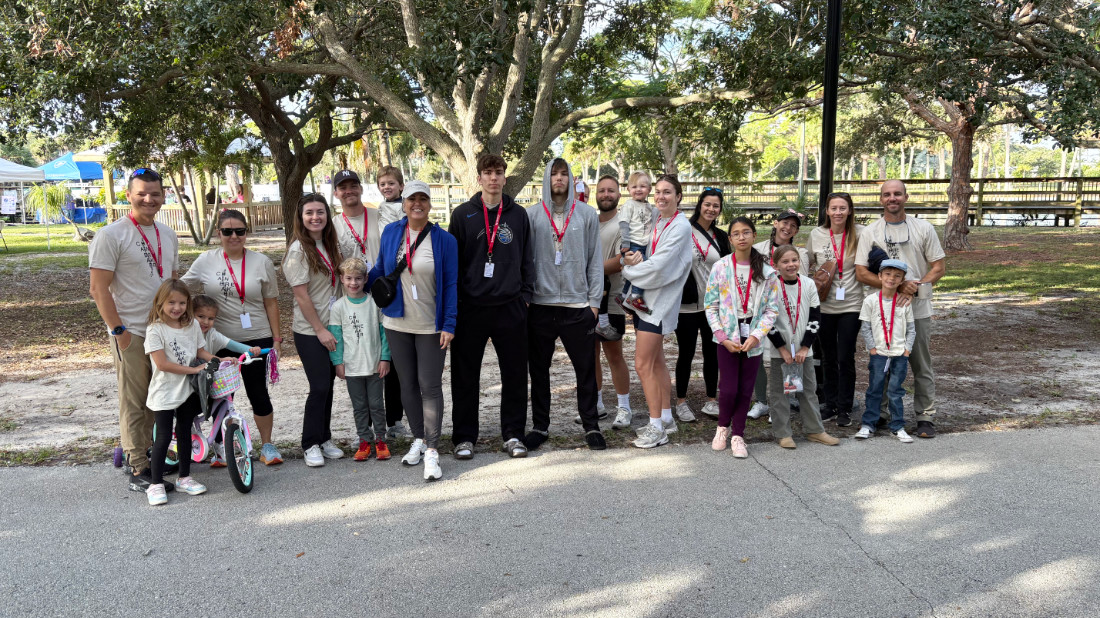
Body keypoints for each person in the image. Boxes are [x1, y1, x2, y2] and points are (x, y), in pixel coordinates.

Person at [89, 167, 181, 493]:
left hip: (162, 331)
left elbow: (172, 282)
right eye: (141, 193)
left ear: (163, 196)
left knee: (157, 398)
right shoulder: (111, 235)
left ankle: (148, 453)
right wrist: (119, 332)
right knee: (134, 400)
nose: (148, 199)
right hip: (131, 331)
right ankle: (138, 467)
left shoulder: (167, 234)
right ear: (128, 195)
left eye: (155, 194)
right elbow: (98, 289)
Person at [367, 180, 457, 481]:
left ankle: (432, 449)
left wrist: (449, 323)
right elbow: (381, 268)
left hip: (431, 324)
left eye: (423, 199)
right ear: (403, 204)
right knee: (406, 384)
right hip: (396, 322)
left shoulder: (445, 240)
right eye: (411, 199)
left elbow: (451, 284)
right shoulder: (392, 232)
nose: (417, 204)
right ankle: (418, 438)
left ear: (429, 204)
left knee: (429, 385)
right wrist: (360, 281)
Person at [448, 154, 535, 460]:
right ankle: (464, 437)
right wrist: (456, 302)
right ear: (479, 178)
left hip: (509, 305)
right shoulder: (463, 214)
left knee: (514, 374)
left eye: (498, 172)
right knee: (465, 375)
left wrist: (525, 296)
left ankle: (513, 434)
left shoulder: (518, 215)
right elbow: (454, 263)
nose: (493, 178)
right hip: (471, 307)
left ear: (505, 178)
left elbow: (527, 257)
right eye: (488, 173)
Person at [181, 209, 284, 465]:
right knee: (221, 397)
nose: (234, 236)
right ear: (219, 233)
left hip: (257, 339)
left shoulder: (261, 261)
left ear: (247, 232)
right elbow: (179, 290)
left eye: (240, 231)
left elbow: (271, 302)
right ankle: (221, 448)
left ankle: (267, 446)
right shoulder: (206, 260)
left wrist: (277, 340)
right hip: (219, 341)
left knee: (258, 392)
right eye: (227, 231)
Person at [525, 158, 607, 452]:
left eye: (564, 174)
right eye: (554, 173)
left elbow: (595, 261)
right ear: (546, 178)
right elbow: (525, 261)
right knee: (539, 371)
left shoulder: (586, 214)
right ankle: (540, 426)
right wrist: (528, 299)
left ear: (571, 179)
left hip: (577, 305)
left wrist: (594, 303)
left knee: (585, 370)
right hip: (541, 306)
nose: (559, 178)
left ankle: (591, 426)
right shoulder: (532, 215)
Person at [855, 180, 946, 438]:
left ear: (906, 196)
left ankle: (925, 416)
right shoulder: (870, 232)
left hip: (916, 309)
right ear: (881, 199)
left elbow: (938, 267)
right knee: (882, 363)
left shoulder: (923, 228)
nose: (892, 198)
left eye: (897, 194)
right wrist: (896, 286)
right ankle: (881, 413)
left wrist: (914, 288)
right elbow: (862, 272)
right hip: (883, 310)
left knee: (920, 364)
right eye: (887, 194)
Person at [623, 174, 693, 449]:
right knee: (657, 362)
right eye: (659, 191)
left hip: (659, 304)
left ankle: (656, 429)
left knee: (642, 364)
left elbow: (660, 265)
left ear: (678, 196)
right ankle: (665, 418)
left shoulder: (680, 226)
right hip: (647, 300)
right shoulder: (659, 219)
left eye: (668, 192)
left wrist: (628, 270)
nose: (661, 196)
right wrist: (633, 258)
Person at [706, 217, 779, 458]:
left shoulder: (767, 271)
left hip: (752, 334)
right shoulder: (720, 267)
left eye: (746, 232)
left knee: (746, 389)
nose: (741, 237)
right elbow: (711, 305)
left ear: (754, 235)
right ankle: (722, 428)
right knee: (728, 388)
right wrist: (722, 336)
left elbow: (771, 310)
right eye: (736, 233)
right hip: (727, 334)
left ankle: (738, 434)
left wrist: (757, 336)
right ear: (730, 239)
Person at [143, 280, 220, 505]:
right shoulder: (155, 329)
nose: (177, 308)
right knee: (164, 436)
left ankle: (184, 478)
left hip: (188, 389)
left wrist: (220, 359)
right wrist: (194, 369)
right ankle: (156, 484)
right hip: (165, 390)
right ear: (160, 302)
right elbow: (162, 364)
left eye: (182, 303)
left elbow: (200, 351)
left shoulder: (192, 325)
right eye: (171, 303)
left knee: (185, 431)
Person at [283, 193, 345, 468]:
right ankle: (309, 443)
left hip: (332, 326)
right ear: (301, 217)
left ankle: (324, 437)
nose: (315, 217)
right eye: (309, 212)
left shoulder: (330, 244)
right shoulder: (298, 250)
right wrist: (320, 330)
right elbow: (302, 296)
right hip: (311, 330)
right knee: (319, 386)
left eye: (320, 212)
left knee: (328, 385)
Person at [764, 245, 840, 449]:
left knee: (808, 390)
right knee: (780, 393)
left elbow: (815, 318)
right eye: (785, 261)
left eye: (794, 260)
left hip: (804, 350)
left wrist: (805, 347)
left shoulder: (808, 284)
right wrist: (782, 349)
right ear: (776, 265)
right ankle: (783, 433)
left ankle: (815, 430)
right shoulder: (771, 286)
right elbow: (768, 321)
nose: (791, 265)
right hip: (780, 351)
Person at [806, 192, 865, 427]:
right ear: (827, 211)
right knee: (828, 357)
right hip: (825, 305)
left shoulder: (861, 233)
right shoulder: (817, 234)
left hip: (852, 304)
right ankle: (830, 404)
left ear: (849, 210)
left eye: (842, 208)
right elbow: (808, 263)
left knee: (845, 356)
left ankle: (845, 407)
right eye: (834, 208)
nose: (838, 212)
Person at [748, 208, 811, 420]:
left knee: (787, 354)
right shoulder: (757, 249)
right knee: (757, 355)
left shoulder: (800, 254)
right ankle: (761, 401)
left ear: (796, 231)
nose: (788, 228)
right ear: (776, 223)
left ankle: (787, 399)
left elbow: (801, 282)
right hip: (761, 309)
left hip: (787, 311)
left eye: (793, 226)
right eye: (785, 223)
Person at [675, 187, 731, 422]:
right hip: (686, 305)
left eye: (716, 206)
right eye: (707, 204)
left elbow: (728, 267)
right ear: (700, 205)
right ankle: (681, 401)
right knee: (686, 353)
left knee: (712, 353)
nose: (711, 209)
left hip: (713, 306)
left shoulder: (721, 236)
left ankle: (711, 400)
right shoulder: (683, 230)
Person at [329, 257, 392, 462]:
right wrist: (338, 363)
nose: (353, 283)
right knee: (359, 407)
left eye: (358, 278)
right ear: (342, 279)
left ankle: (380, 439)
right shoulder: (339, 307)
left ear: (366, 279)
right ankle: (364, 440)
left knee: (376, 405)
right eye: (349, 278)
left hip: (374, 365)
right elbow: (336, 337)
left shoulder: (374, 303)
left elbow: (384, 333)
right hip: (352, 366)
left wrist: (385, 358)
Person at [191, 294, 263, 467]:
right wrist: (220, 359)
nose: (205, 322)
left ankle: (219, 444)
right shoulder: (187, 332)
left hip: (205, 379)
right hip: (190, 377)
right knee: (189, 413)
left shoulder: (212, 334)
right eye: (200, 316)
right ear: (191, 314)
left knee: (220, 401)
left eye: (210, 318)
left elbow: (231, 344)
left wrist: (250, 350)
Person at [854, 259, 917, 442]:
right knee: (875, 389)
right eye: (888, 274)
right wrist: (872, 349)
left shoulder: (904, 302)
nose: (891, 278)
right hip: (879, 354)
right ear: (880, 276)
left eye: (897, 276)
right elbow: (866, 327)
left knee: (895, 391)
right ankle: (868, 424)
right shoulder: (871, 301)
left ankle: (897, 426)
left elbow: (911, 329)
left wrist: (907, 350)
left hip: (899, 354)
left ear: (902, 280)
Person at [592, 175, 634, 430]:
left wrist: (587, 270)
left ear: (619, 195)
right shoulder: (589, 221)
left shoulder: (622, 225)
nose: (606, 195)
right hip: (588, 299)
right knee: (590, 354)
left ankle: (624, 407)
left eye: (611, 190)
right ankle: (596, 405)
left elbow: (622, 260)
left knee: (614, 355)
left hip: (612, 300)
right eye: (601, 191)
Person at [374, 167, 407, 438]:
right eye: (383, 184)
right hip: (381, 284)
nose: (387, 187)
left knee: (398, 361)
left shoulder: (408, 209)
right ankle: (376, 422)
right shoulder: (376, 213)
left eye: (391, 183)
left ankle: (397, 419)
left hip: (404, 284)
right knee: (381, 358)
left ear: (401, 185)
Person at [616, 171, 654, 313]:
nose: (638, 189)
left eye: (642, 186)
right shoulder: (629, 205)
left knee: (634, 271)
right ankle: (636, 296)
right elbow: (624, 224)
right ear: (628, 189)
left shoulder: (649, 207)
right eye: (634, 186)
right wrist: (626, 243)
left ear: (649, 189)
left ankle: (623, 296)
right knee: (643, 267)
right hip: (632, 243)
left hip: (643, 245)